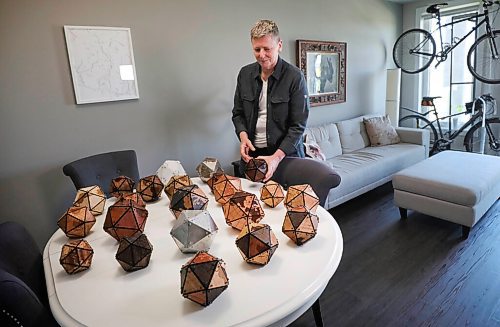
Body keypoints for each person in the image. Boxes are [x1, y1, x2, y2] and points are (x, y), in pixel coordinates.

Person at [232, 19, 309, 182]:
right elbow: (237, 114)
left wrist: (275, 158)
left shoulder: (295, 77)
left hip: (286, 158)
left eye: (267, 49)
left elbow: (298, 126)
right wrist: (243, 136)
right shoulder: (244, 74)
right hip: (252, 159)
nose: (261, 55)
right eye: (257, 49)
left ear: (279, 45)